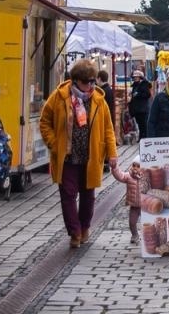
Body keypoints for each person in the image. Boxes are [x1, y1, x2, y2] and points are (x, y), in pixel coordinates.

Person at [41, 58, 118, 249]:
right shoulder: (59, 96)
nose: (90, 85)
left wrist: (112, 153)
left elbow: (108, 128)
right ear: (75, 80)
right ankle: (74, 231)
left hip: (90, 156)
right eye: (86, 82)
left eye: (93, 81)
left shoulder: (98, 100)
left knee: (88, 196)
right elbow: (44, 121)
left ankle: (84, 227)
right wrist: (53, 143)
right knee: (67, 194)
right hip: (67, 156)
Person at [110, 158, 145, 243]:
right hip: (134, 206)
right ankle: (135, 235)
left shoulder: (146, 177)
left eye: (138, 166)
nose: (135, 168)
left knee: (147, 223)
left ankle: (148, 236)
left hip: (146, 206)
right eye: (134, 165)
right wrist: (114, 168)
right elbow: (120, 175)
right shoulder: (129, 176)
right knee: (132, 222)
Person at [128, 67, 153, 141]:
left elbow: (147, 95)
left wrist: (138, 94)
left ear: (140, 77)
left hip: (142, 108)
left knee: (143, 124)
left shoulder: (144, 85)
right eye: (134, 77)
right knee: (139, 123)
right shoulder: (134, 85)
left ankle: (144, 137)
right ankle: (141, 136)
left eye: (136, 77)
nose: (135, 78)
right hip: (137, 109)